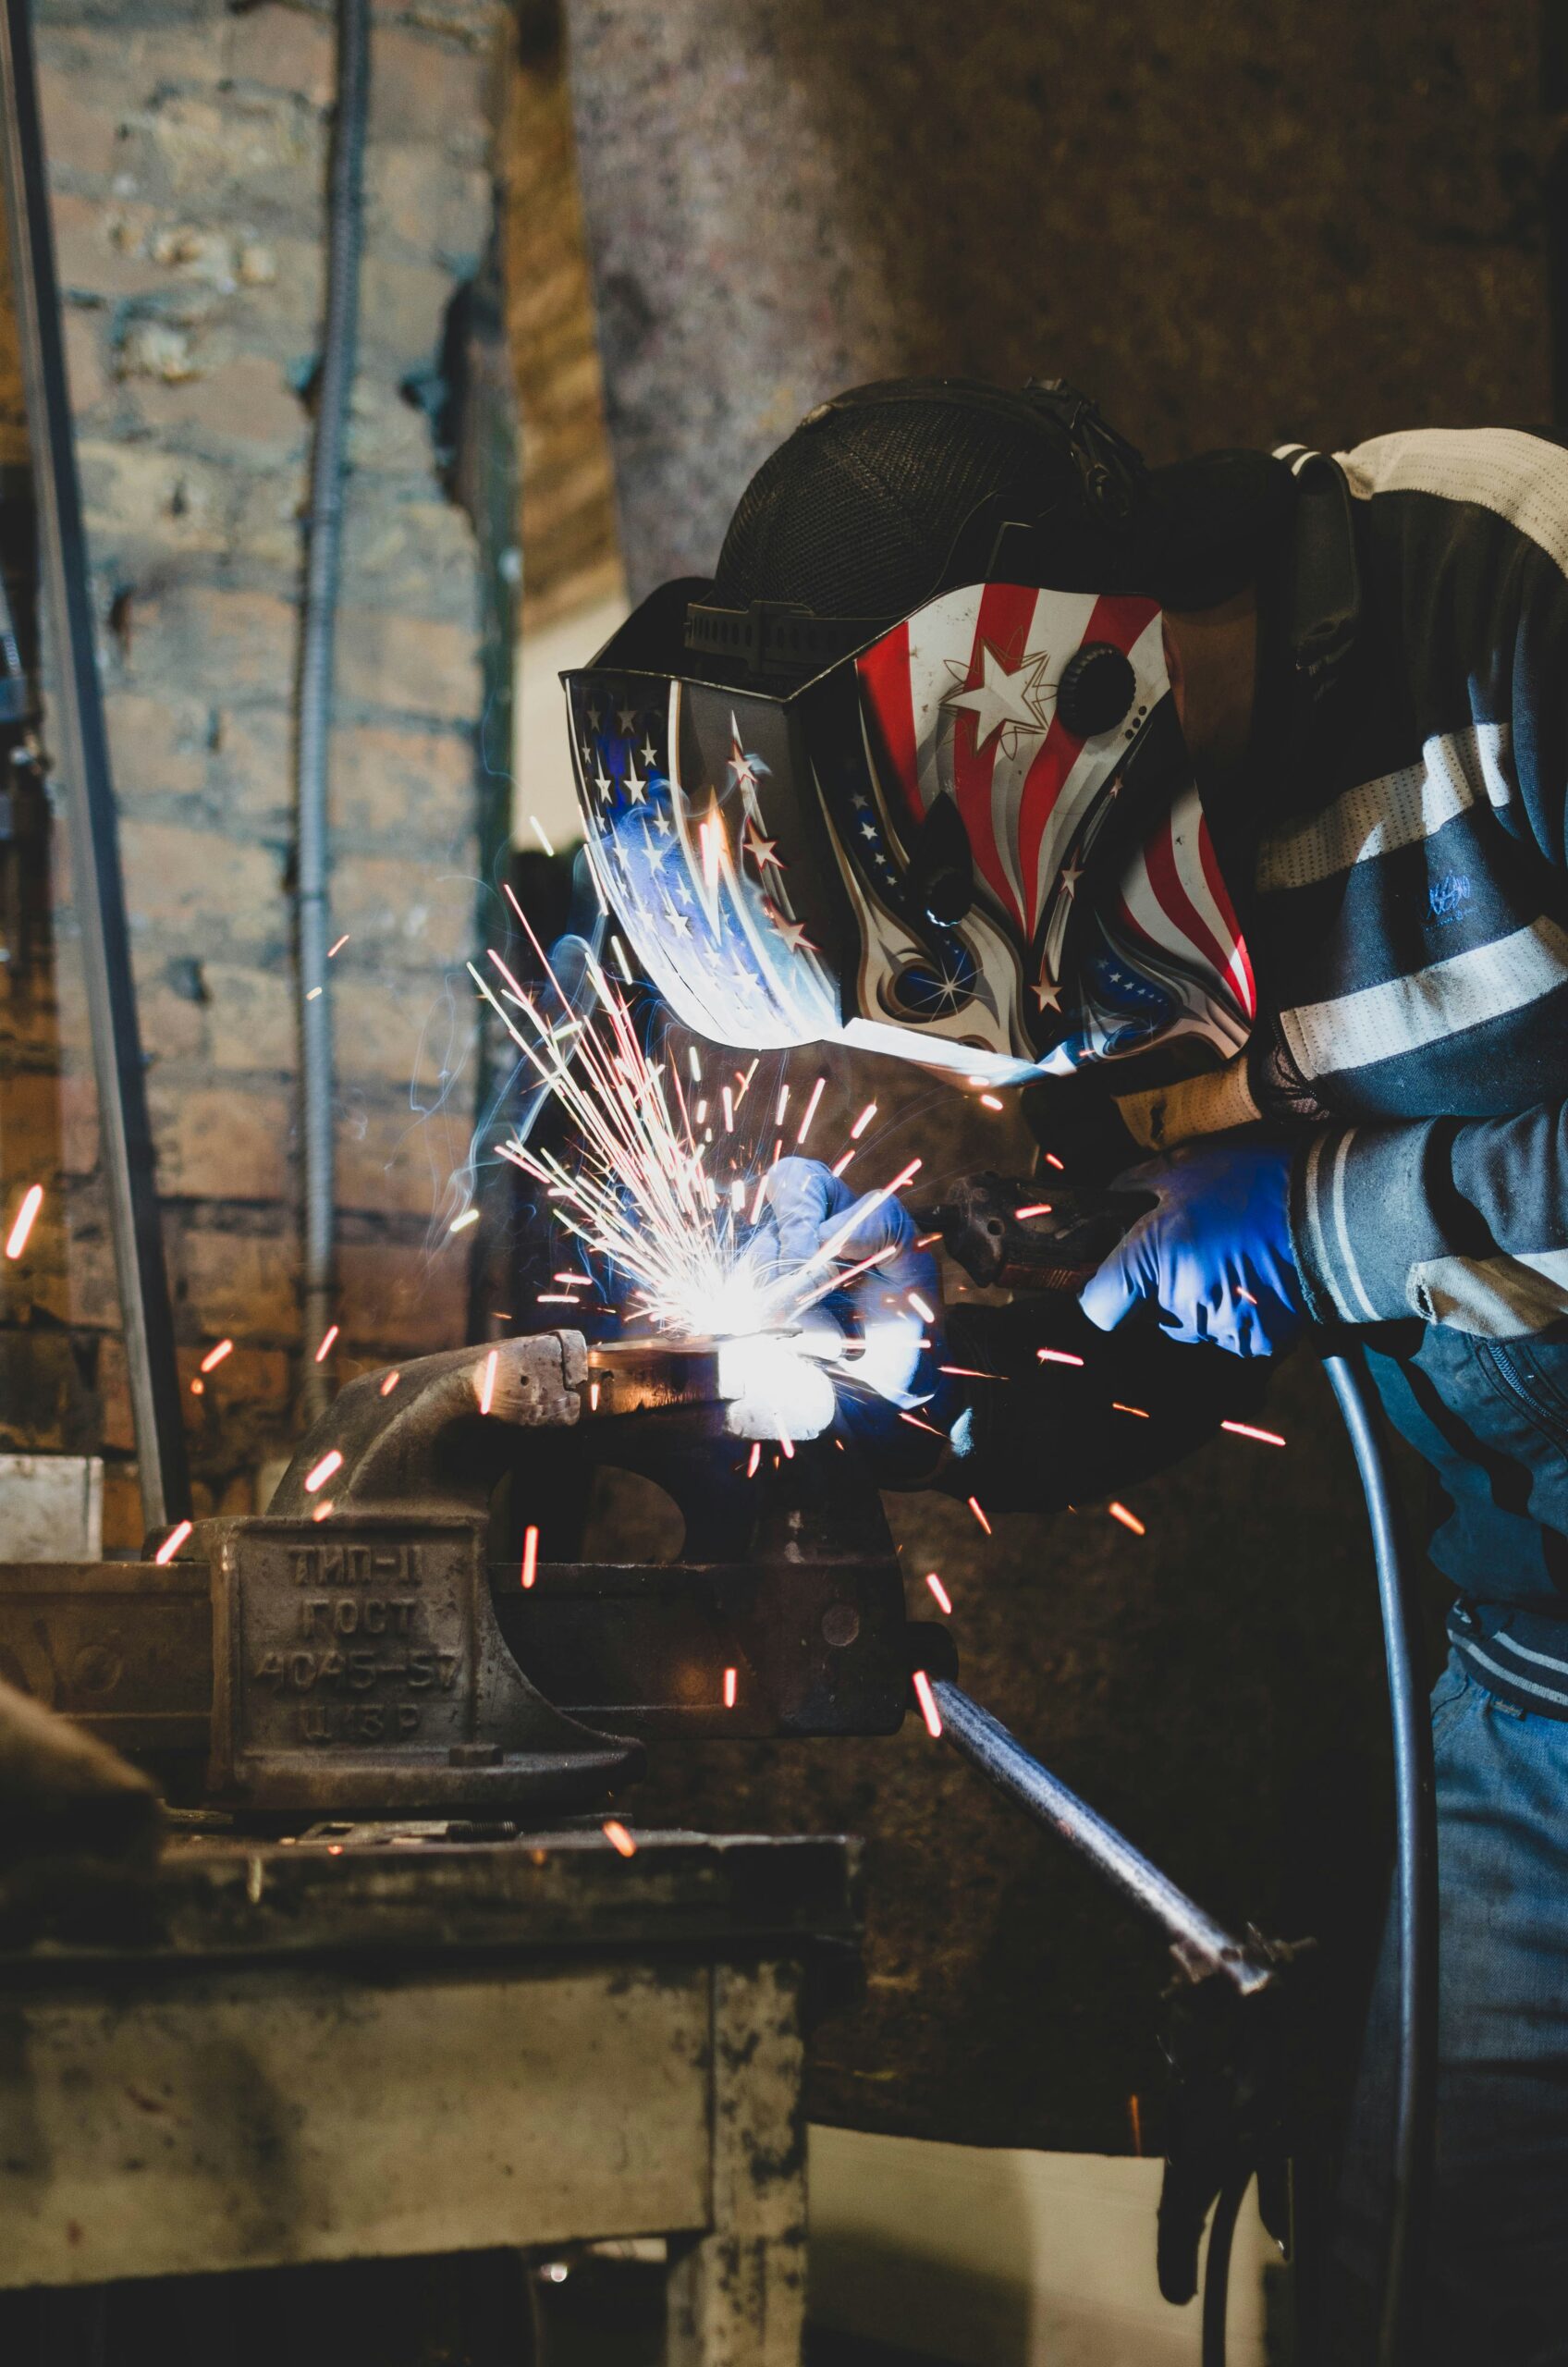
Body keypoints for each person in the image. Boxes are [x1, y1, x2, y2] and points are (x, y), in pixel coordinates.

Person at [561, 376, 1568, 2360]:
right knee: (1430, 2288)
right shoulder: (1169, 863)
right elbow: (1207, 1189)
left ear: (1024, 705)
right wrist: (958, 1283)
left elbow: (1316, 1203)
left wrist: (1312, 1219)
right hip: (1526, 1686)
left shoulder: (1507, 608)